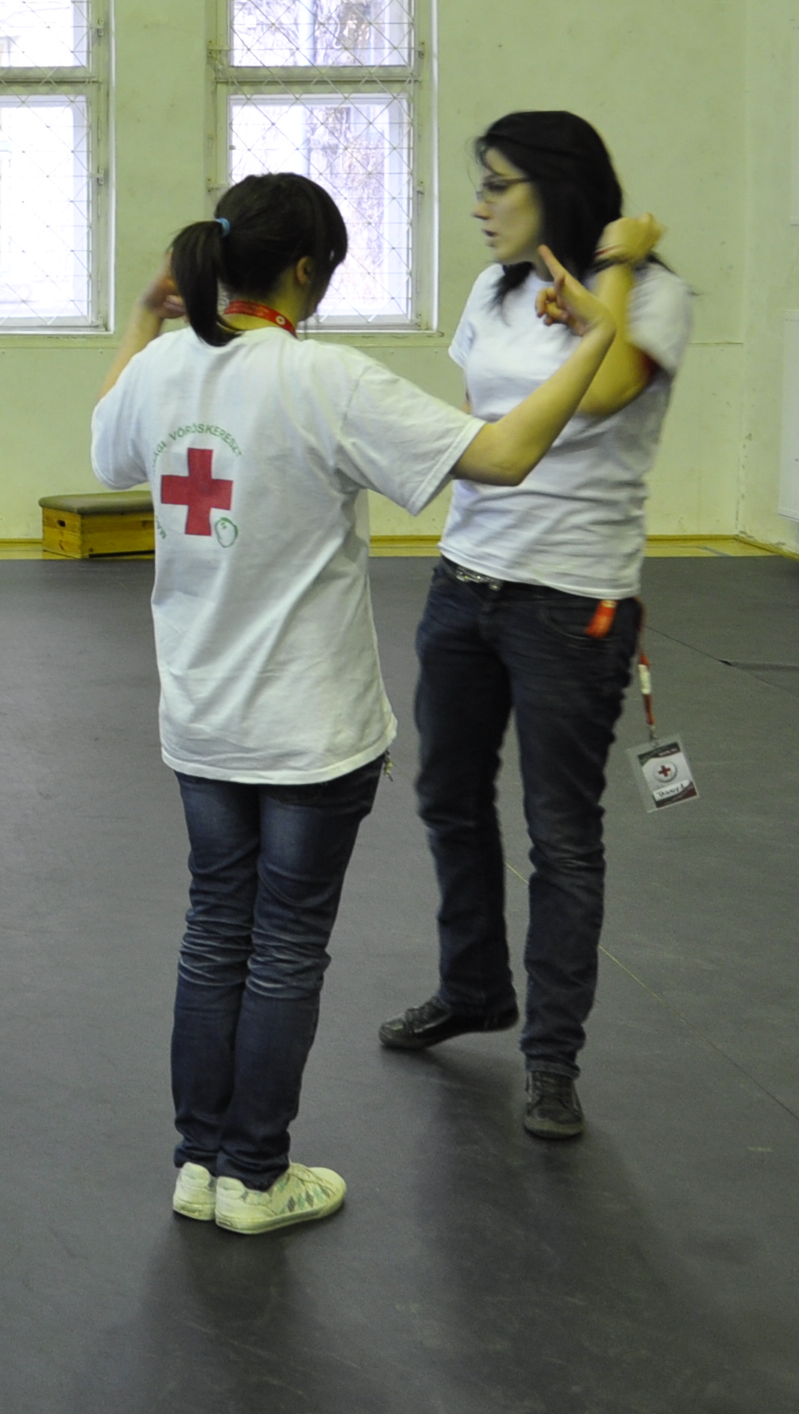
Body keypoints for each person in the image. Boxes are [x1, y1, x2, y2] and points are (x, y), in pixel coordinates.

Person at [91, 172, 620, 1237]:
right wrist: (597, 339)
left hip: (200, 722)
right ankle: (255, 1175)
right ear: (305, 270)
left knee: (213, 935)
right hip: (309, 731)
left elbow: (108, 454)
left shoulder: (160, 370)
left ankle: (200, 1166)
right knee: (285, 947)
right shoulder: (322, 379)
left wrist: (143, 317)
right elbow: (505, 455)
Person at [384, 113, 688, 1147]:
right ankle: (473, 988)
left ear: (556, 189)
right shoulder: (494, 291)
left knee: (561, 833)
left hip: (574, 601)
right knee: (447, 796)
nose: (479, 205)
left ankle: (552, 1059)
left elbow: (600, 395)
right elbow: (490, 419)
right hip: (466, 580)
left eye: (497, 185)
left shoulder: (653, 294)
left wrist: (614, 268)